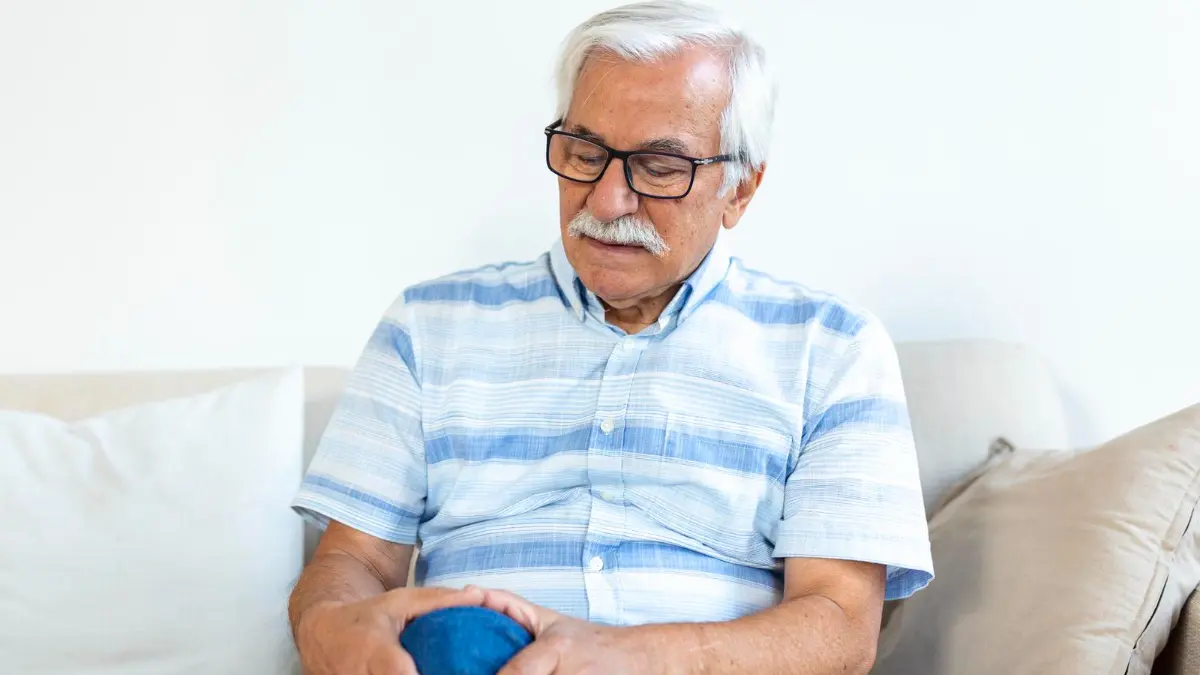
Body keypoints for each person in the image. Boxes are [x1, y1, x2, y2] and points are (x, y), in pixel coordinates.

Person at [287, 1, 934, 673]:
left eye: (658, 167)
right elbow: (353, 561)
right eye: (585, 153)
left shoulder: (833, 350)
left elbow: (839, 630)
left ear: (740, 188)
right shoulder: (427, 326)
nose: (605, 201)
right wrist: (335, 628)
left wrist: (625, 656)